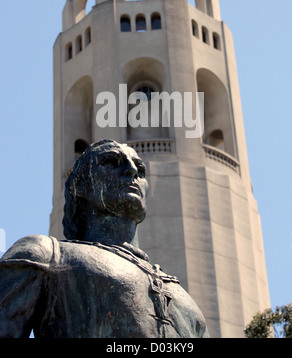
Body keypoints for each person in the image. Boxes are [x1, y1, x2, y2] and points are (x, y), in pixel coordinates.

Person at [0, 139, 209, 338]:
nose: (132, 171)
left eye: (141, 169)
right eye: (110, 162)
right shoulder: (46, 256)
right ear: (81, 185)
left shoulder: (186, 304)